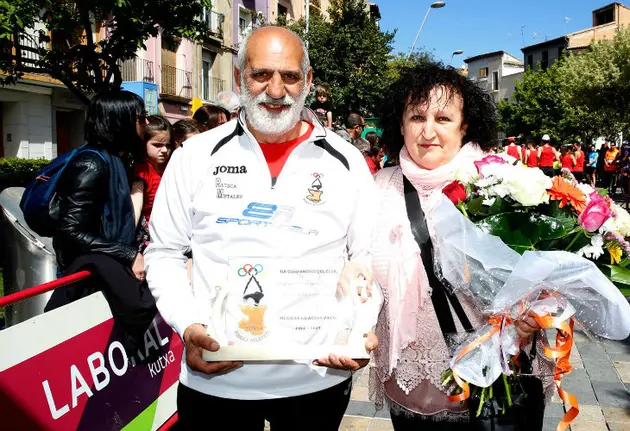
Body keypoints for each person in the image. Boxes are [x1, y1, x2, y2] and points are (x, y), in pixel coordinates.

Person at [144, 26, 380, 430]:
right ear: (240, 78)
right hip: (218, 377)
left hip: (318, 375)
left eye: (289, 76)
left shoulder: (346, 160)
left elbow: (365, 258)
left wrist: (361, 328)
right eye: (261, 74)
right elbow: (164, 254)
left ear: (308, 80)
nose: (275, 90)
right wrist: (189, 326)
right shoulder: (194, 156)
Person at [371, 62, 549, 429]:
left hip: (491, 380)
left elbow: (541, 269)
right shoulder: (376, 188)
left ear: (464, 125)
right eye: (417, 117)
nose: (428, 131)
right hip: (409, 384)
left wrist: (536, 311)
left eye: (443, 118)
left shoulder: (499, 182)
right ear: (400, 124)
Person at [45, 91, 157, 351]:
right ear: (120, 120)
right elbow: (70, 230)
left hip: (105, 271)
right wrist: (128, 253)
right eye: (141, 117)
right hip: (87, 277)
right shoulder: (91, 164)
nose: (147, 123)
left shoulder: (115, 159)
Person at [131, 115, 173, 253]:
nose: (164, 150)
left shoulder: (173, 166)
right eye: (157, 145)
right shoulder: (141, 170)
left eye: (168, 145)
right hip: (149, 237)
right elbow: (136, 207)